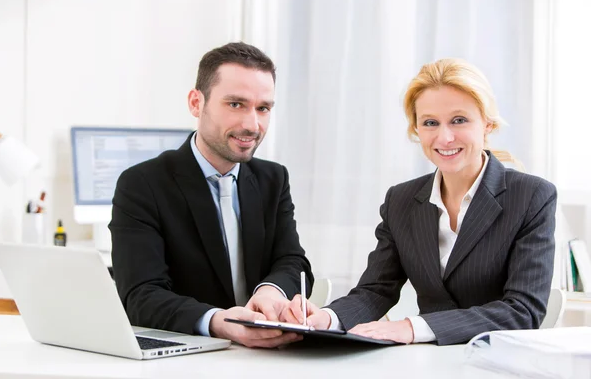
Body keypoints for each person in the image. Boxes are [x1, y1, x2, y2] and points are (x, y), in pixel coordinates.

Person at [281, 58, 557, 346]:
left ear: (487, 124)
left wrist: (413, 327)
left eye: (459, 120)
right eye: (430, 123)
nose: (445, 137)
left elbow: (522, 311)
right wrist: (325, 319)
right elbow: (376, 291)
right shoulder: (400, 200)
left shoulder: (532, 196)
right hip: (424, 364)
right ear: (416, 129)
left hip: (497, 364)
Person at [109, 42, 314, 348]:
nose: (251, 125)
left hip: (265, 358)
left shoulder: (273, 178)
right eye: (235, 104)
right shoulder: (142, 184)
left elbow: (292, 260)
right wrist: (221, 323)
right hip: (189, 356)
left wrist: (270, 290)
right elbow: (141, 296)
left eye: (263, 108)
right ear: (196, 103)